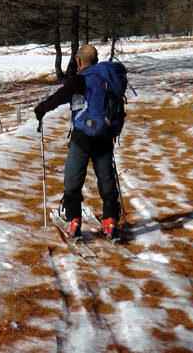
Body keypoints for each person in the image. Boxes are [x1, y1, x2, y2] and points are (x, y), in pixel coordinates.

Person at [33, 44, 121, 240]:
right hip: (105, 136)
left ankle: (73, 221)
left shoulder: (79, 80)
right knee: (106, 178)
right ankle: (111, 221)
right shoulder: (108, 77)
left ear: (79, 61)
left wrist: (40, 109)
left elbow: (59, 98)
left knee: (73, 178)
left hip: (82, 137)